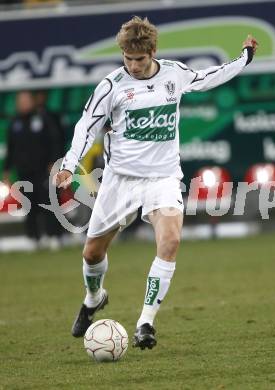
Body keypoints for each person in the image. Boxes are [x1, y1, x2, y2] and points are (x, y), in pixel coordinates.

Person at [54, 16, 258, 349]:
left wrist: (244, 58)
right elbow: (86, 127)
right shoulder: (112, 85)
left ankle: (145, 322)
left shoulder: (174, 74)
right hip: (120, 179)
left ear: (153, 52)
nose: (133, 65)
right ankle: (94, 297)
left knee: (171, 241)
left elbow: (209, 77)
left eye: (140, 59)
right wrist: (69, 164)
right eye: (128, 58)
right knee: (92, 254)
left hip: (163, 177)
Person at [3, 90, 63, 249]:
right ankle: (34, 238)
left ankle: (54, 236)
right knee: (29, 205)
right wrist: (7, 170)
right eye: (19, 101)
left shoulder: (43, 119)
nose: (22, 104)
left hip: (43, 170)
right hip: (24, 172)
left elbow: (55, 142)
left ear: (32, 101)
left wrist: (54, 162)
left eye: (25, 100)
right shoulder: (15, 123)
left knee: (48, 202)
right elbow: (11, 149)